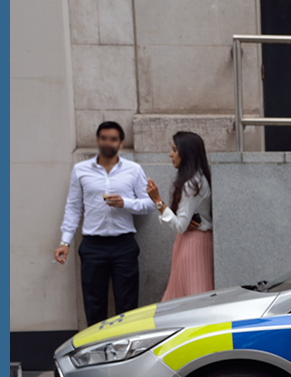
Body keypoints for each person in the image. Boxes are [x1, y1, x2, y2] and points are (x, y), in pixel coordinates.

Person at [55, 121, 155, 326]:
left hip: (124, 245)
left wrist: (125, 203)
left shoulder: (133, 169)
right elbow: (73, 207)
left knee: (127, 307)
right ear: (97, 139)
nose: (107, 143)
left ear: (121, 142)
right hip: (93, 246)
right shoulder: (80, 170)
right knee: (94, 305)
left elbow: (150, 204)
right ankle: (95, 352)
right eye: (104, 138)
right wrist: (65, 242)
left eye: (113, 139)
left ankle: (127, 351)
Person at [146, 131, 214, 301]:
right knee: (189, 295)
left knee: (194, 297)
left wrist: (158, 201)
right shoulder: (197, 178)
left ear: (186, 153)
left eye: (175, 150)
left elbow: (180, 225)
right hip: (191, 241)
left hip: (194, 244)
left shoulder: (192, 182)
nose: (171, 154)